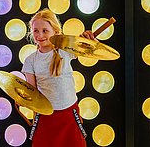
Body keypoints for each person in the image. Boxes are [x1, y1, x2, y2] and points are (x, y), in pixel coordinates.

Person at [21, 8, 96, 147]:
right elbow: (32, 91)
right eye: (35, 30)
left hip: (69, 113)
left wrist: (87, 39)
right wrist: (22, 96)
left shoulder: (65, 50)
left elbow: (86, 48)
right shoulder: (30, 60)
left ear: (55, 31)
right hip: (45, 116)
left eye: (45, 30)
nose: (39, 35)